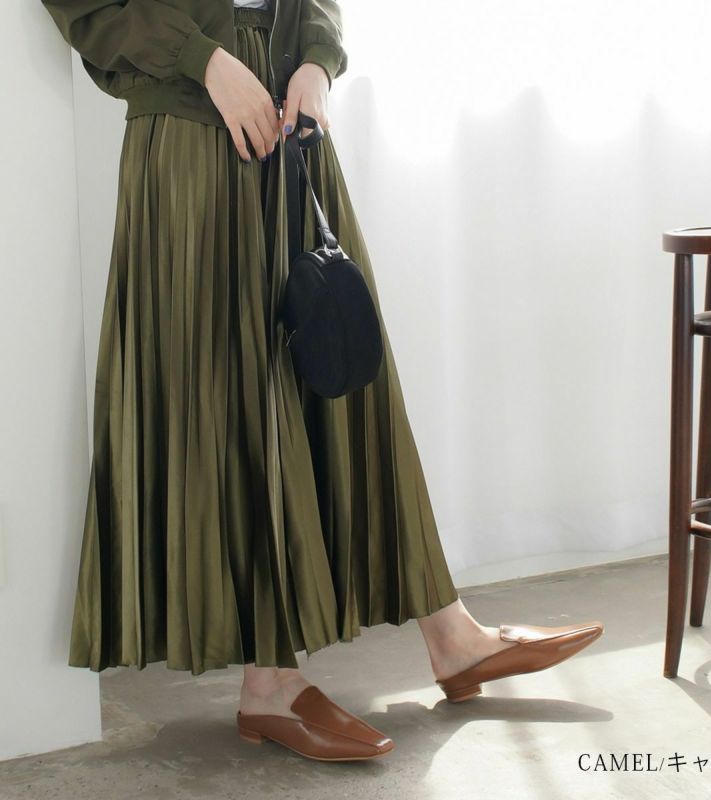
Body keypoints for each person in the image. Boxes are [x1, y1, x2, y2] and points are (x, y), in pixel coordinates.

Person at [41, 0, 604, 762]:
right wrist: (205, 62)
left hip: (290, 124)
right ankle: (270, 684)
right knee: (238, 394)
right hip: (193, 131)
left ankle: (451, 635)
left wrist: (317, 61)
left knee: (350, 376)